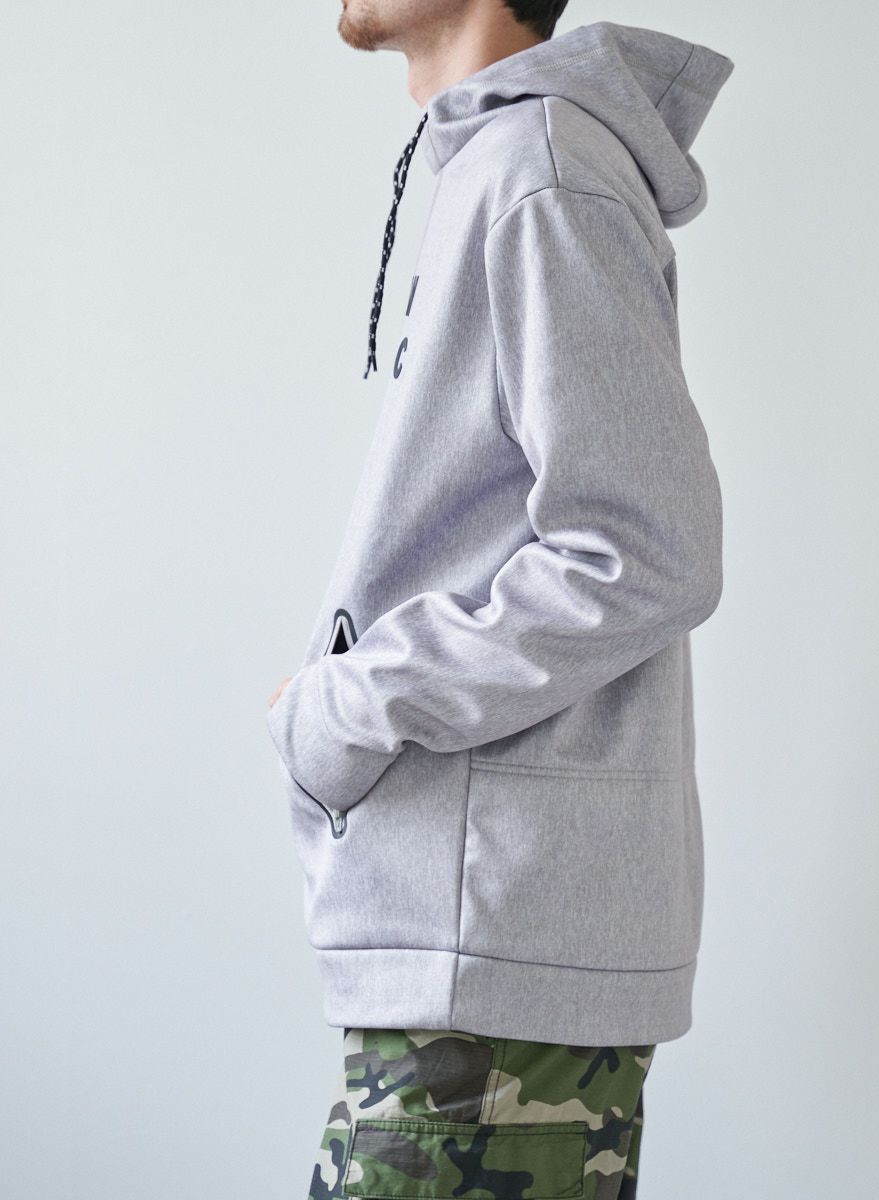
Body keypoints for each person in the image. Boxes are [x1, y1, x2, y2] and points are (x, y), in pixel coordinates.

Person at [265, 2, 734, 1195]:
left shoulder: (541, 169)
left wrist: (352, 702)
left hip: (494, 947)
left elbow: (645, 547)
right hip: (481, 941)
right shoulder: (511, 166)